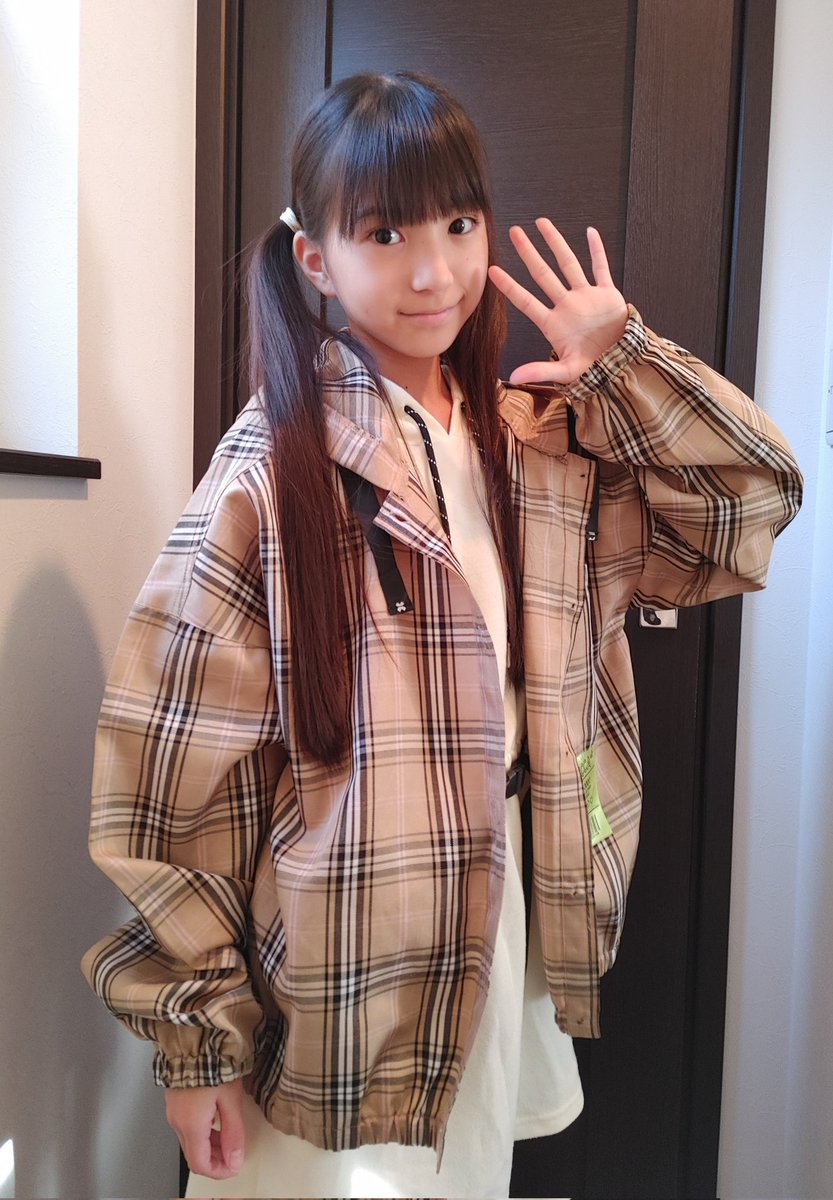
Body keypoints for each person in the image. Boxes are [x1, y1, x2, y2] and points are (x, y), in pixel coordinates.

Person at [82, 70, 801, 1200]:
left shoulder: (540, 445)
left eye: (459, 224)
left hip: (504, 909)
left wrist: (628, 364)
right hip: (341, 951)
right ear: (316, 259)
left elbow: (745, 509)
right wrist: (196, 1040)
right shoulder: (270, 473)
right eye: (385, 234)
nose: (434, 271)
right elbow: (174, 777)